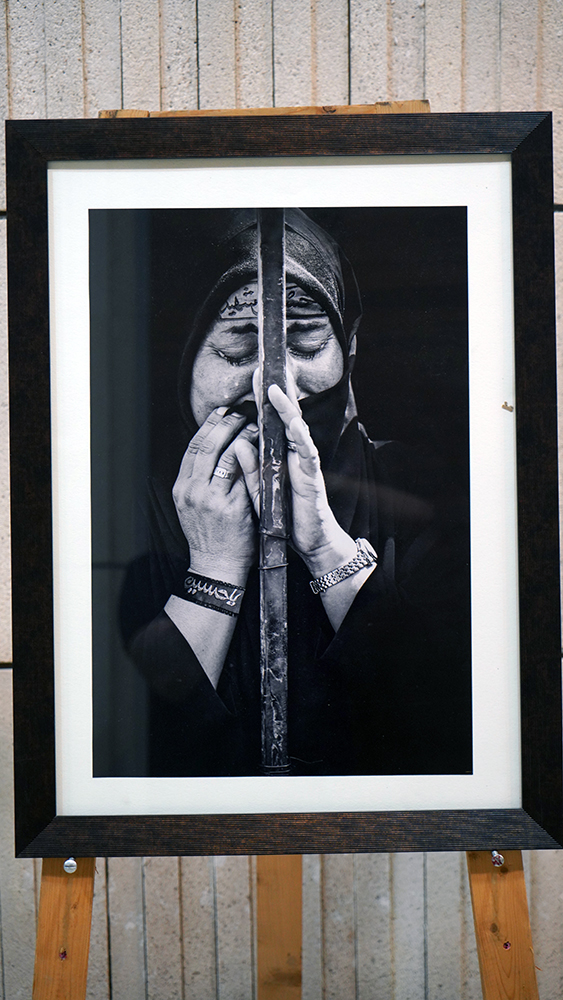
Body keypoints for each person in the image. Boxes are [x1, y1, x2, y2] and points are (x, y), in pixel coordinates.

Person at [120, 208, 472, 777]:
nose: (273, 386)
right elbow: (125, 747)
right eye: (238, 351)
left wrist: (327, 548)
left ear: (349, 348)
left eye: (305, 342)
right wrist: (214, 567)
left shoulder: (419, 488)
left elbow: (449, 721)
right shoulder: (121, 514)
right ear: (183, 358)